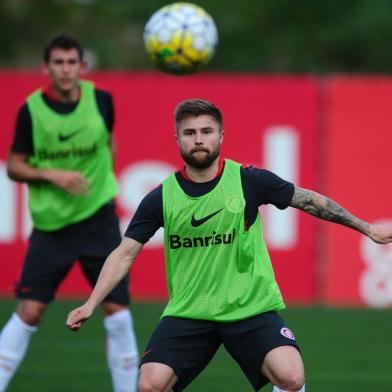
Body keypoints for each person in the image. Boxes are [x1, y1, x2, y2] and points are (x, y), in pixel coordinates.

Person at [66, 98, 392, 392]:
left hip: (249, 308)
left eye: (207, 131)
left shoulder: (249, 180)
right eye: (190, 132)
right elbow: (125, 253)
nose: (198, 139)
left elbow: (308, 200)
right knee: (150, 385)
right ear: (177, 139)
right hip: (191, 312)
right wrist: (91, 303)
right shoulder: (161, 197)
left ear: (221, 137)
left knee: (291, 376)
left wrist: (365, 227)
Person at [0, 35, 139, 392]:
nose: (65, 69)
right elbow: (14, 166)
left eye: (71, 62)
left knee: (117, 312)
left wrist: (100, 178)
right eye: (58, 62)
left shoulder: (102, 100)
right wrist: (51, 174)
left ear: (83, 67)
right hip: (52, 226)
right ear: (46, 68)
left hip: (98, 219)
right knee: (30, 311)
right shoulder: (31, 110)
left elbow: (110, 142)